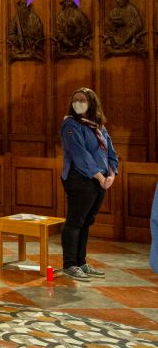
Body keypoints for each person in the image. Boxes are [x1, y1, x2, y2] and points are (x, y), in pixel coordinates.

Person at [60, 88, 118, 282]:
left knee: (87, 221)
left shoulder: (98, 126)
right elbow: (80, 154)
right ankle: (70, 264)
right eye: (75, 99)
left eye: (82, 100)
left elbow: (110, 151)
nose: (78, 103)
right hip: (80, 179)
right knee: (75, 221)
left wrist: (111, 174)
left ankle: (81, 262)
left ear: (91, 103)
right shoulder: (70, 124)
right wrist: (100, 178)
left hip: (100, 180)